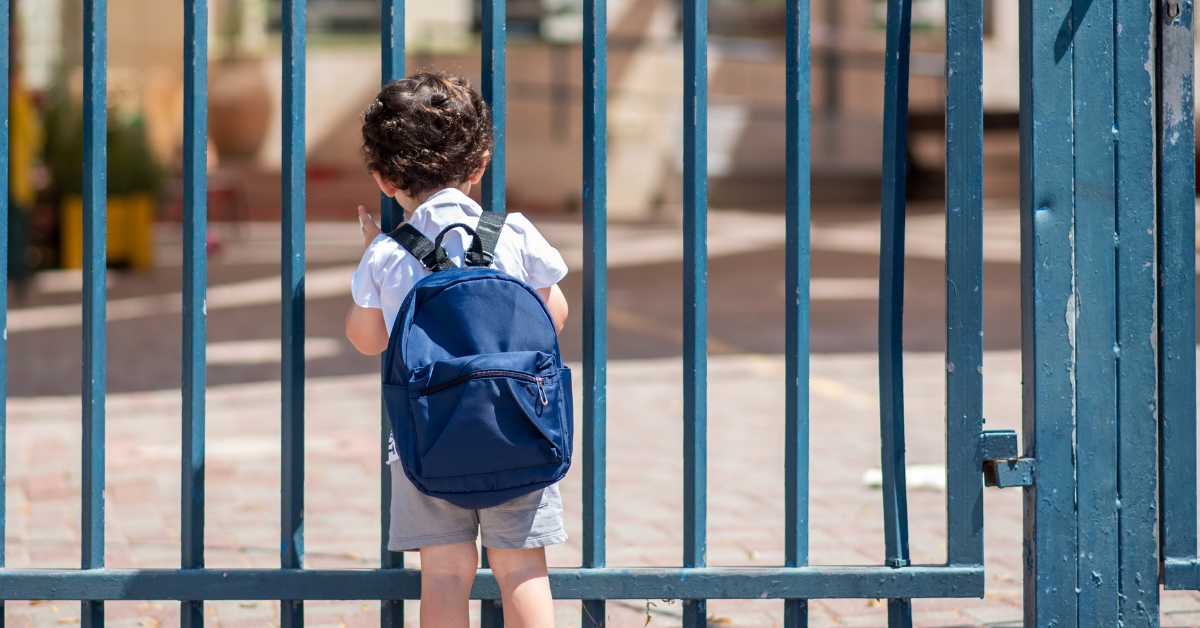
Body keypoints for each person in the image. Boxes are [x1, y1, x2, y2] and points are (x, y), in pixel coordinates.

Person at [346, 72, 569, 628]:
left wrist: (375, 258)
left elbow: (368, 339)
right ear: (479, 165)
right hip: (520, 428)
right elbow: (554, 316)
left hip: (426, 440)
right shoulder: (513, 232)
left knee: (444, 574)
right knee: (522, 572)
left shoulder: (388, 255)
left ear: (382, 176)